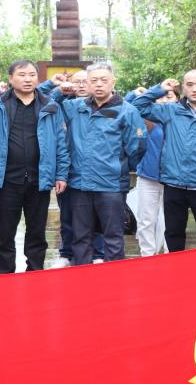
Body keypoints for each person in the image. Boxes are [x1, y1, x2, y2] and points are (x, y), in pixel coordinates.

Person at [0, 61, 70, 273]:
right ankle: (5, 272)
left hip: (39, 178)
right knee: (5, 231)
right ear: (11, 79)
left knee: (37, 231)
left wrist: (61, 174)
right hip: (7, 178)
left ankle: (35, 271)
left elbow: (60, 142)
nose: (27, 79)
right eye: (22, 74)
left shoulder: (50, 105)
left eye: (31, 74)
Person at [56, 62, 146, 264]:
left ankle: (113, 277)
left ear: (113, 82)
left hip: (111, 185)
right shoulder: (75, 107)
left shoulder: (127, 111)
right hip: (80, 183)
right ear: (87, 83)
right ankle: (82, 275)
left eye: (104, 80)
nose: (98, 84)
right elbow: (47, 106)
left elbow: (137, 147)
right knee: (80, 236)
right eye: (94, 80)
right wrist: (60, 91)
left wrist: (120, 168)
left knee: (113, 236)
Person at [131, 70, 196, 251]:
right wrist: (159, 89)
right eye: (190, 85)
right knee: (173, 235)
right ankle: (175, 268)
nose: (195, 89)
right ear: (183, 88)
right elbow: (137, 107)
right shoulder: (171, 110)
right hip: (174, 183)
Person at [54, 70, 104, 266]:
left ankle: (98, 253)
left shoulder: (103, 106)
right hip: (67, 170)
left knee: (97, 216)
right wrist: (59, 91)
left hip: (97, 171)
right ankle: (66, 253)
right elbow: (45, 103)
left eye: (85, 81)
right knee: (67, 216)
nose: (81, 85)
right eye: (77, 82)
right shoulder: (64, 106)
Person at [132, 88, 175, 256]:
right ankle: (147, 255)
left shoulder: (180, 120)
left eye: (169, 96)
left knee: (171, 220)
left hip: (172, 179)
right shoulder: (149, 121)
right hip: (148, 177)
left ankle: (170, 253)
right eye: (160, 97)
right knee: (146, 219)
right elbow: (130, 107)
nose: (164, 101)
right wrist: (144, 93)